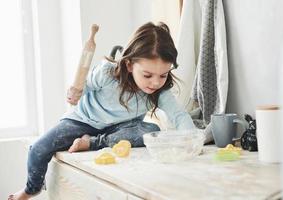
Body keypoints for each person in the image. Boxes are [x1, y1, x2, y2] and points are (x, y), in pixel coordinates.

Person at [8, 21, 195, 200]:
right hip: (82, 121)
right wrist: (75, 92)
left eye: (163, 75)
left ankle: (92, 143)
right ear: (129, 65)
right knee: (38, 148)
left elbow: (178, 115)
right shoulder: (107, 73)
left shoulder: (159, 92)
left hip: (121, 129)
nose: (155, 82)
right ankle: (31, 189)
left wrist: (192, 138)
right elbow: (84, 87)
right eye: (147, 75)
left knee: (151, 131)